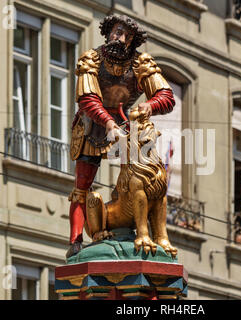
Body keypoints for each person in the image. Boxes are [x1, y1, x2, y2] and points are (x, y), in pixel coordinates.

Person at [66, 15, 176, 258]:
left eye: (127, 35)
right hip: (90, 123)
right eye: (117, 31)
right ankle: (75, 239)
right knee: (82, 186)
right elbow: (87, 98)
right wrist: (106, 122)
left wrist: (151, 106)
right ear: (109, 32)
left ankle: (131, 223)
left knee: (138, 176)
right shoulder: (91, 58)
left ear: (132, 41)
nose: (121, 37)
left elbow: (166, 96)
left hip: (126, 124)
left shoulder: (140, 63)